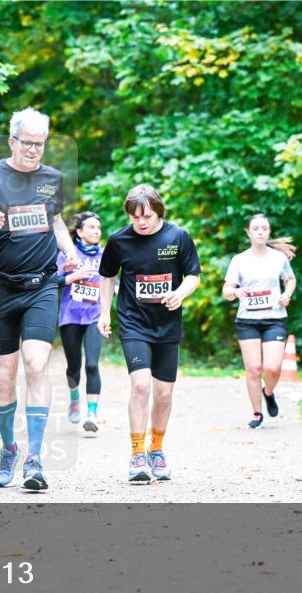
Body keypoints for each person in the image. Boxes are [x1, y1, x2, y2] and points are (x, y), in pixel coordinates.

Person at [0, 107, 79, 490]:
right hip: (0, 287)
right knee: (5, 376)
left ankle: (35, 458)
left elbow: (56, 220)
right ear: (12, 141)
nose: (34, 151)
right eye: (27, 144)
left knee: (37, 363)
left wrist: (70, 249)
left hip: (42, 285)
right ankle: (9, 448)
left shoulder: (53, 179)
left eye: (40, 145)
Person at [98, 184, 201, 483]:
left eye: (146, 216)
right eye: (135, 217)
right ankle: (136, 454)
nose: (141, 222)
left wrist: (180, 293)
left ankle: (156, 449)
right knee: (141, 386)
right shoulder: (119, 240)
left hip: (168, 324)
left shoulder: (177, 237)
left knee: (164, 394)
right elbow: (106, 277)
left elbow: (193, 275)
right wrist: (104, 312)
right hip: (133, 322)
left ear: (158, 211)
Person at [222, 213, 297, 429]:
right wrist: (236, 292)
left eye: (264, 228)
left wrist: (287, 294)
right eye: (256, 228)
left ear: (269, 232)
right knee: (254, 368)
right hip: (247, 321)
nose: (260, 232)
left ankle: (269, 392)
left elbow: (290, 279)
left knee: (272, 368)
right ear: (248, 232)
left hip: (275, 319)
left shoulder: (278, 258)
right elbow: (226, 290)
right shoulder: (239, 260)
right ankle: (257, 413)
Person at [56, 211, 104, 434]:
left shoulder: (105, 255)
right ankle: (75, 398)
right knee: (74, 367)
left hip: (95, 316)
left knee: (92, 364)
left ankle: (92, 413)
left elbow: (113, 282)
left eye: (98, 228)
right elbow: (52, 281)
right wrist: (74, 276)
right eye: (92, 227)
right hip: (71, 316)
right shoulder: (69, 254)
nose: (96, 231)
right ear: (79, 231)